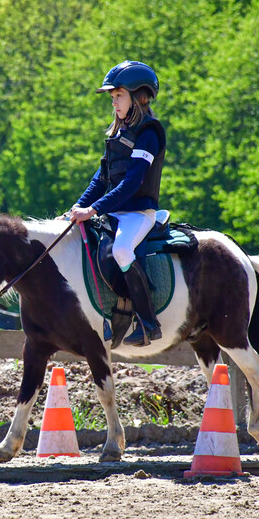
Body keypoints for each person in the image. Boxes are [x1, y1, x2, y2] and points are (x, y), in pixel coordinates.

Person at [65, 61, 166, 346]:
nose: (114, 103)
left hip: (138, 212)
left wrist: (93, 210)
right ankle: (113, 313)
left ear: (138, 96)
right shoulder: (117, 134)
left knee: (122, 250)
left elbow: (131, 184)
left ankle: (149, 323)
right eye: (112, 98)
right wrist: (76, 209)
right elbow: (100, 180)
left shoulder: (149, 133)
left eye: (118, 96)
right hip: (114, 211)